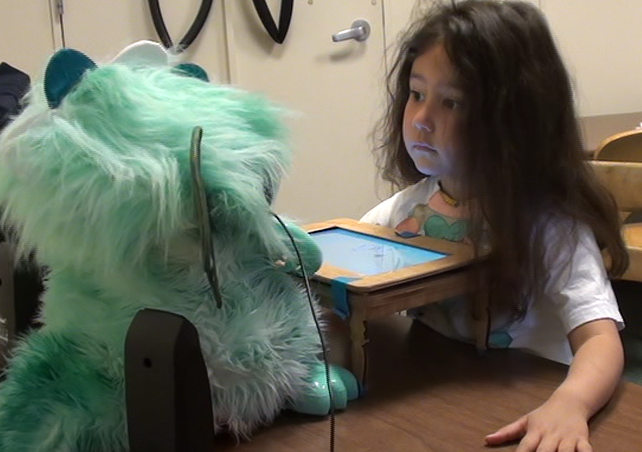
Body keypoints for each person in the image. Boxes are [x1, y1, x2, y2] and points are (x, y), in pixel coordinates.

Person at [360, 1, 629, 451]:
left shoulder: (550, 226)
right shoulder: (403, 212)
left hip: (525, 402)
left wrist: (571, 404)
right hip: (432, 396)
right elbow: (332, 278)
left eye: (452, 102)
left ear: (515, 120)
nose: (422, 121)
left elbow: (600, 341)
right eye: (416, 93)